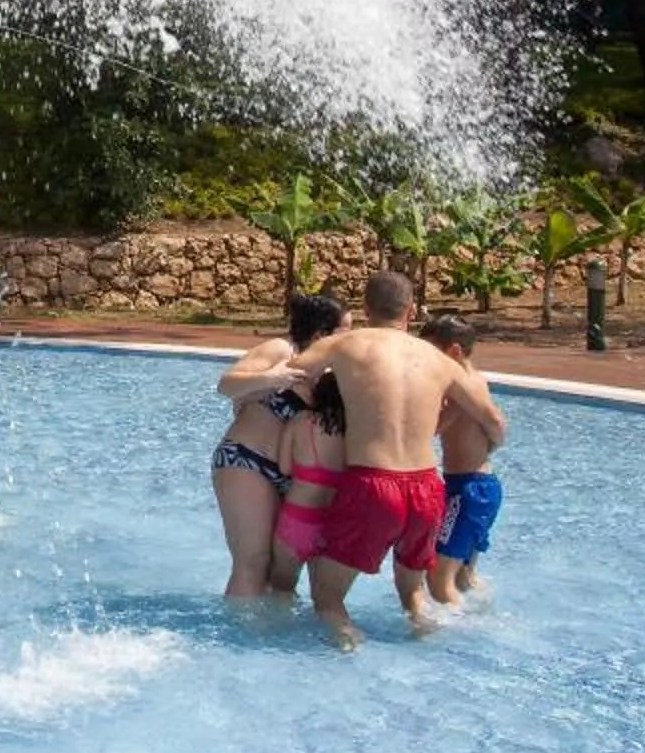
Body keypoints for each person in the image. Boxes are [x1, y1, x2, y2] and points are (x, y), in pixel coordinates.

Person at [289, 272, 504, 646]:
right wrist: (493, 447)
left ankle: (347, 648)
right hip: (426, 489)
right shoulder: (440, 361)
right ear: (411, 310)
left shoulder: (346, 344)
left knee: (328, 596)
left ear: (366, 308)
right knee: (414, 596)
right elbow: (494, 421)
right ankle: (431, 638)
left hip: (373, 484)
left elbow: (292, 373)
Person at [210, 292, 346, 597]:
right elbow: (226, 385)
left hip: (291, 477)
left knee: (281, 569)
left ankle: (273, 638)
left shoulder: (330, 373)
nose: (349, 341)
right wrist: (272, 377)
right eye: (344, 333)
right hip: (246, 461)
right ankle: (240, 637)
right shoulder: (282, 350)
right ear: (320, 335)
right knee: (253, 562)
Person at [422, 314, 501, 607]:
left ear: (454, 351)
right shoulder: (476, 381)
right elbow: (494, 422)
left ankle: (449, 641)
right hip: (480, 486)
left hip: (467, 490)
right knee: (463, 577)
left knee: (438, 581)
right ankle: (482, 617)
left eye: (431, 353)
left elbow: (432, 428)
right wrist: (492, 444)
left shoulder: (462, 387)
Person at [267, 372, 348, 597]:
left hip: (298, 519)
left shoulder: (301, 421)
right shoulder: (355, 431)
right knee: (325, 600)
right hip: (332, 523)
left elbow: (284, 468)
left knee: (281, 591)